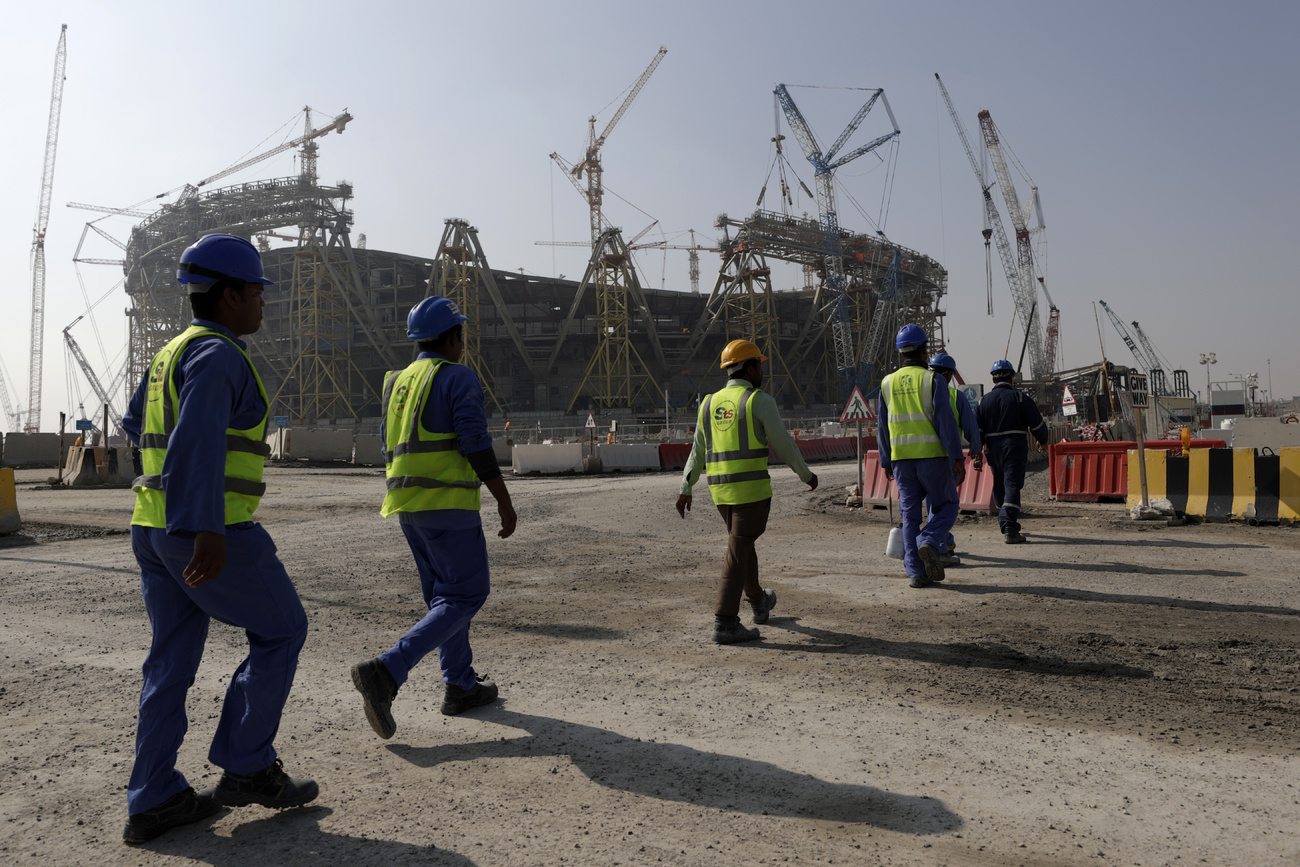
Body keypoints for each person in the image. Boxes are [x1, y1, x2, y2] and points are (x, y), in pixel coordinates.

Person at [121, 234, 316, 845]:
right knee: (283, 628)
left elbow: (136, 425)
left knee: (171, 661)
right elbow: (200, 437)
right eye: (257, 292)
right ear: (231, 296)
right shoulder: (220, 355)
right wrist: (207, 526)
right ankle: (247, 766)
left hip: (151, 528)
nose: (263, 304)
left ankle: (153, 797)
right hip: (209, 530)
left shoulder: (168, 353)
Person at [351, 296, 517, 740]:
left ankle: (459, 684)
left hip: (406, 505)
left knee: (444, 598)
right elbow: (475, 441)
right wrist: (503, 498)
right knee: (466, 596)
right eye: (461, 335)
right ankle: (387, 670)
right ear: (452, 337)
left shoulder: (397, 382)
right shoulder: (455, 376)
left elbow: (388, 443)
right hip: (448, 505)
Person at [676, 339, 818, 643]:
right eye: (760, 366)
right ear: (750, 368)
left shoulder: (708, 403)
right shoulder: (758, 400)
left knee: (742, 544)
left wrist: (686, 487)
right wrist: (806, 474)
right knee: (738, 551)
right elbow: (784, 445)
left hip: (721, 496)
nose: (762, 372)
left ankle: (758, 601)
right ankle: (725, 622)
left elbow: (697, 451)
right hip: (751, 494)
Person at [877, 325, 966, 588]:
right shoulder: (933, 380)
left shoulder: (886, 382)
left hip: (901, 461)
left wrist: (885, 460)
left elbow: (883, 426)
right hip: (933, 458)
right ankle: (928, 540)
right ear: (924, 349)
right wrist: (956, 456)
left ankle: (916, 573)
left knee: (910, 515)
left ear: (901, 351)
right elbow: (945, 423)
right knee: (947, 506)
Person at [976, 360, 1049, 543]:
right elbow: (1037, 424)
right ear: (1012, 378)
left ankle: (1005, 514)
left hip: (992, 448)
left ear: (993, 379)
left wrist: (977, 451)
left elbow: (977, 431)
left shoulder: (983, 401)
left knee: (1000, 483)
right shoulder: (1020, 398)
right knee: (1012, 484)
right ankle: (1009, 525)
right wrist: (1043, 441)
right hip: (1014, 446)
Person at [927, 353, 984, 566]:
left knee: (932, 504)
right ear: (949, 375)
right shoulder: (954, 396)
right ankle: (939, 548)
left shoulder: (918, 393)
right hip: (946, 457)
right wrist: (976, 450)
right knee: (944, 504)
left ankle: (946, 541)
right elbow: (970, 427)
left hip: (918, 457)